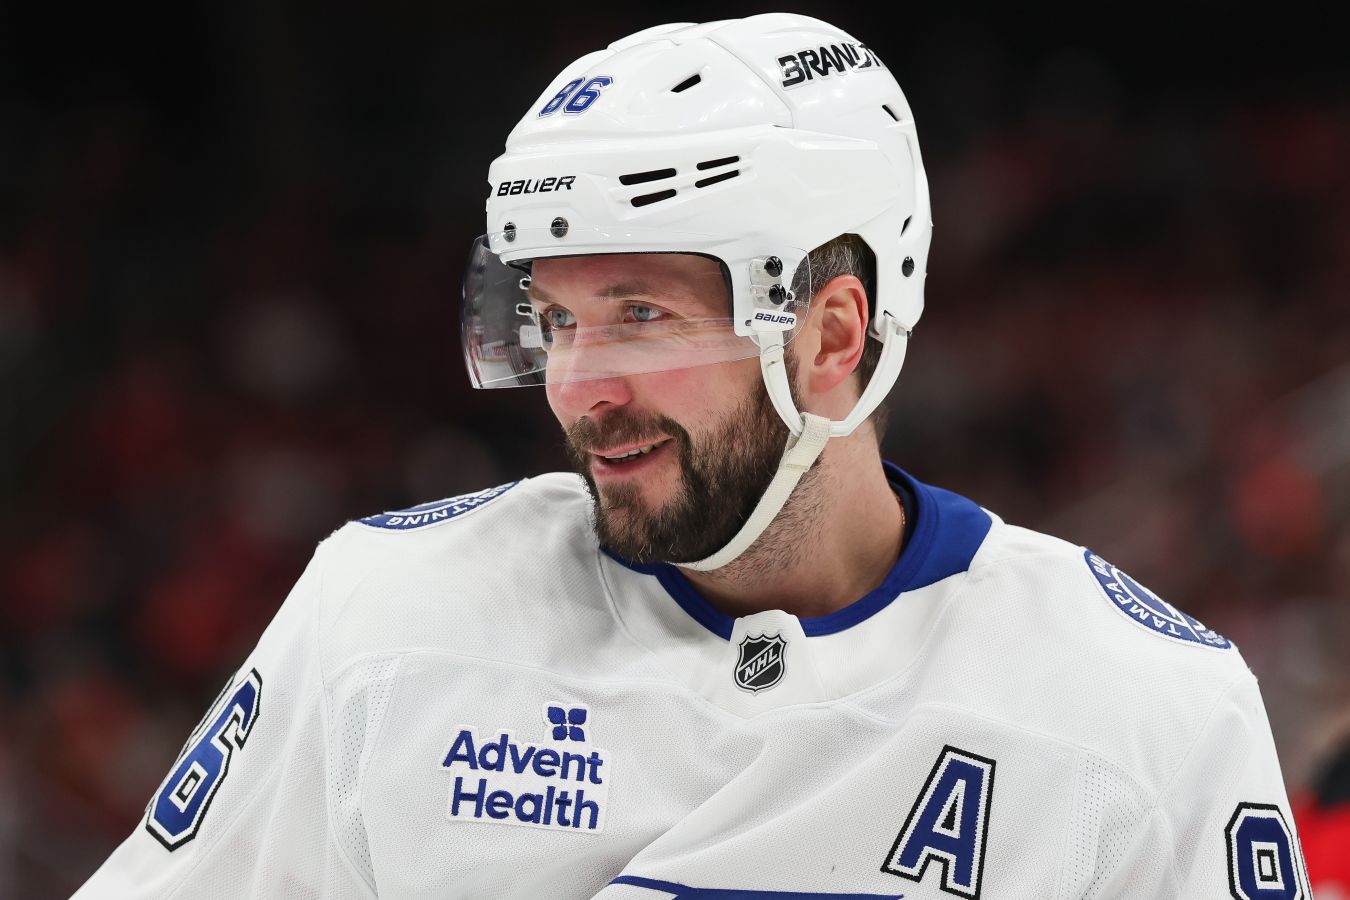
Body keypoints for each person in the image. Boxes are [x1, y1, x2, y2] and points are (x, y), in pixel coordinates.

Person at [76, 13, 1308, 899]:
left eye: (639, 315)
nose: (578, 387)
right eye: (557, 321)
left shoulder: (1142, 718)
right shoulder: (386, 620)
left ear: (833, 333)